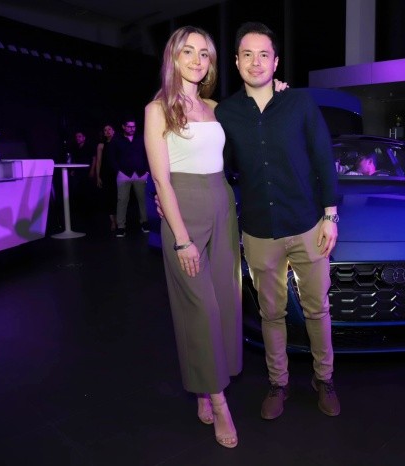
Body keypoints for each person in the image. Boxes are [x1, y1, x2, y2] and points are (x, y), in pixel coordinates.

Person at [214, 21, 341, 420]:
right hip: (258, 231)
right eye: (247, 55)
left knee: (317, 309)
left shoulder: (299, 103)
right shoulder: (226, 113)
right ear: (237, 62)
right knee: (271, 314)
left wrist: (330, 215)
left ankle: (324, 379)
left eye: (264, 55)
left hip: (307, 225)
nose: (256, 62)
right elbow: (217, 166)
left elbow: (323, 158)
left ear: (276, 62)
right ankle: (278, 382)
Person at [144, 26, 241, 449]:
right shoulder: (157, 109)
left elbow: (254, 117)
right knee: (200, 309)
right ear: (174, 57)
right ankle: (219, 402)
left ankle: (205, 387)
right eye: (188, 51)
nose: (197, 60)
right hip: (183, 210)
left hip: (223, 203)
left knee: (225, 302)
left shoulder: (215, 107)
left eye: (205, 53)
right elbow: (160, 180)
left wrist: (277, 90)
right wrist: (181, 239)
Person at [106, 117, 150, 237]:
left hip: (140, 173)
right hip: (124, 174)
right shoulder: (117, 139)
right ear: (123, 127)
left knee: (143, 200)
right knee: (122, 200)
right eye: (129, 126)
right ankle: (121, 226)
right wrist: (118, 171)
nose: (132, 129)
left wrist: (147, 170)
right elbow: (111, 157)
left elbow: (148, 154)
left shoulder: (140, 138)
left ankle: (144, 222)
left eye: (133, 126)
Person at [93, 124, 118, 231]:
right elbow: (98, 161)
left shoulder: (118, 143)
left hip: (118, 173)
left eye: (109, 129)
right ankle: (113, 221)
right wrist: (98, 176)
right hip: (106, 174)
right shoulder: (101, 145)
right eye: (105, 130)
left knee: (118, 197)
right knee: (109, 198)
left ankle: (120, 220)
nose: (107, 131)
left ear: (113, 131)